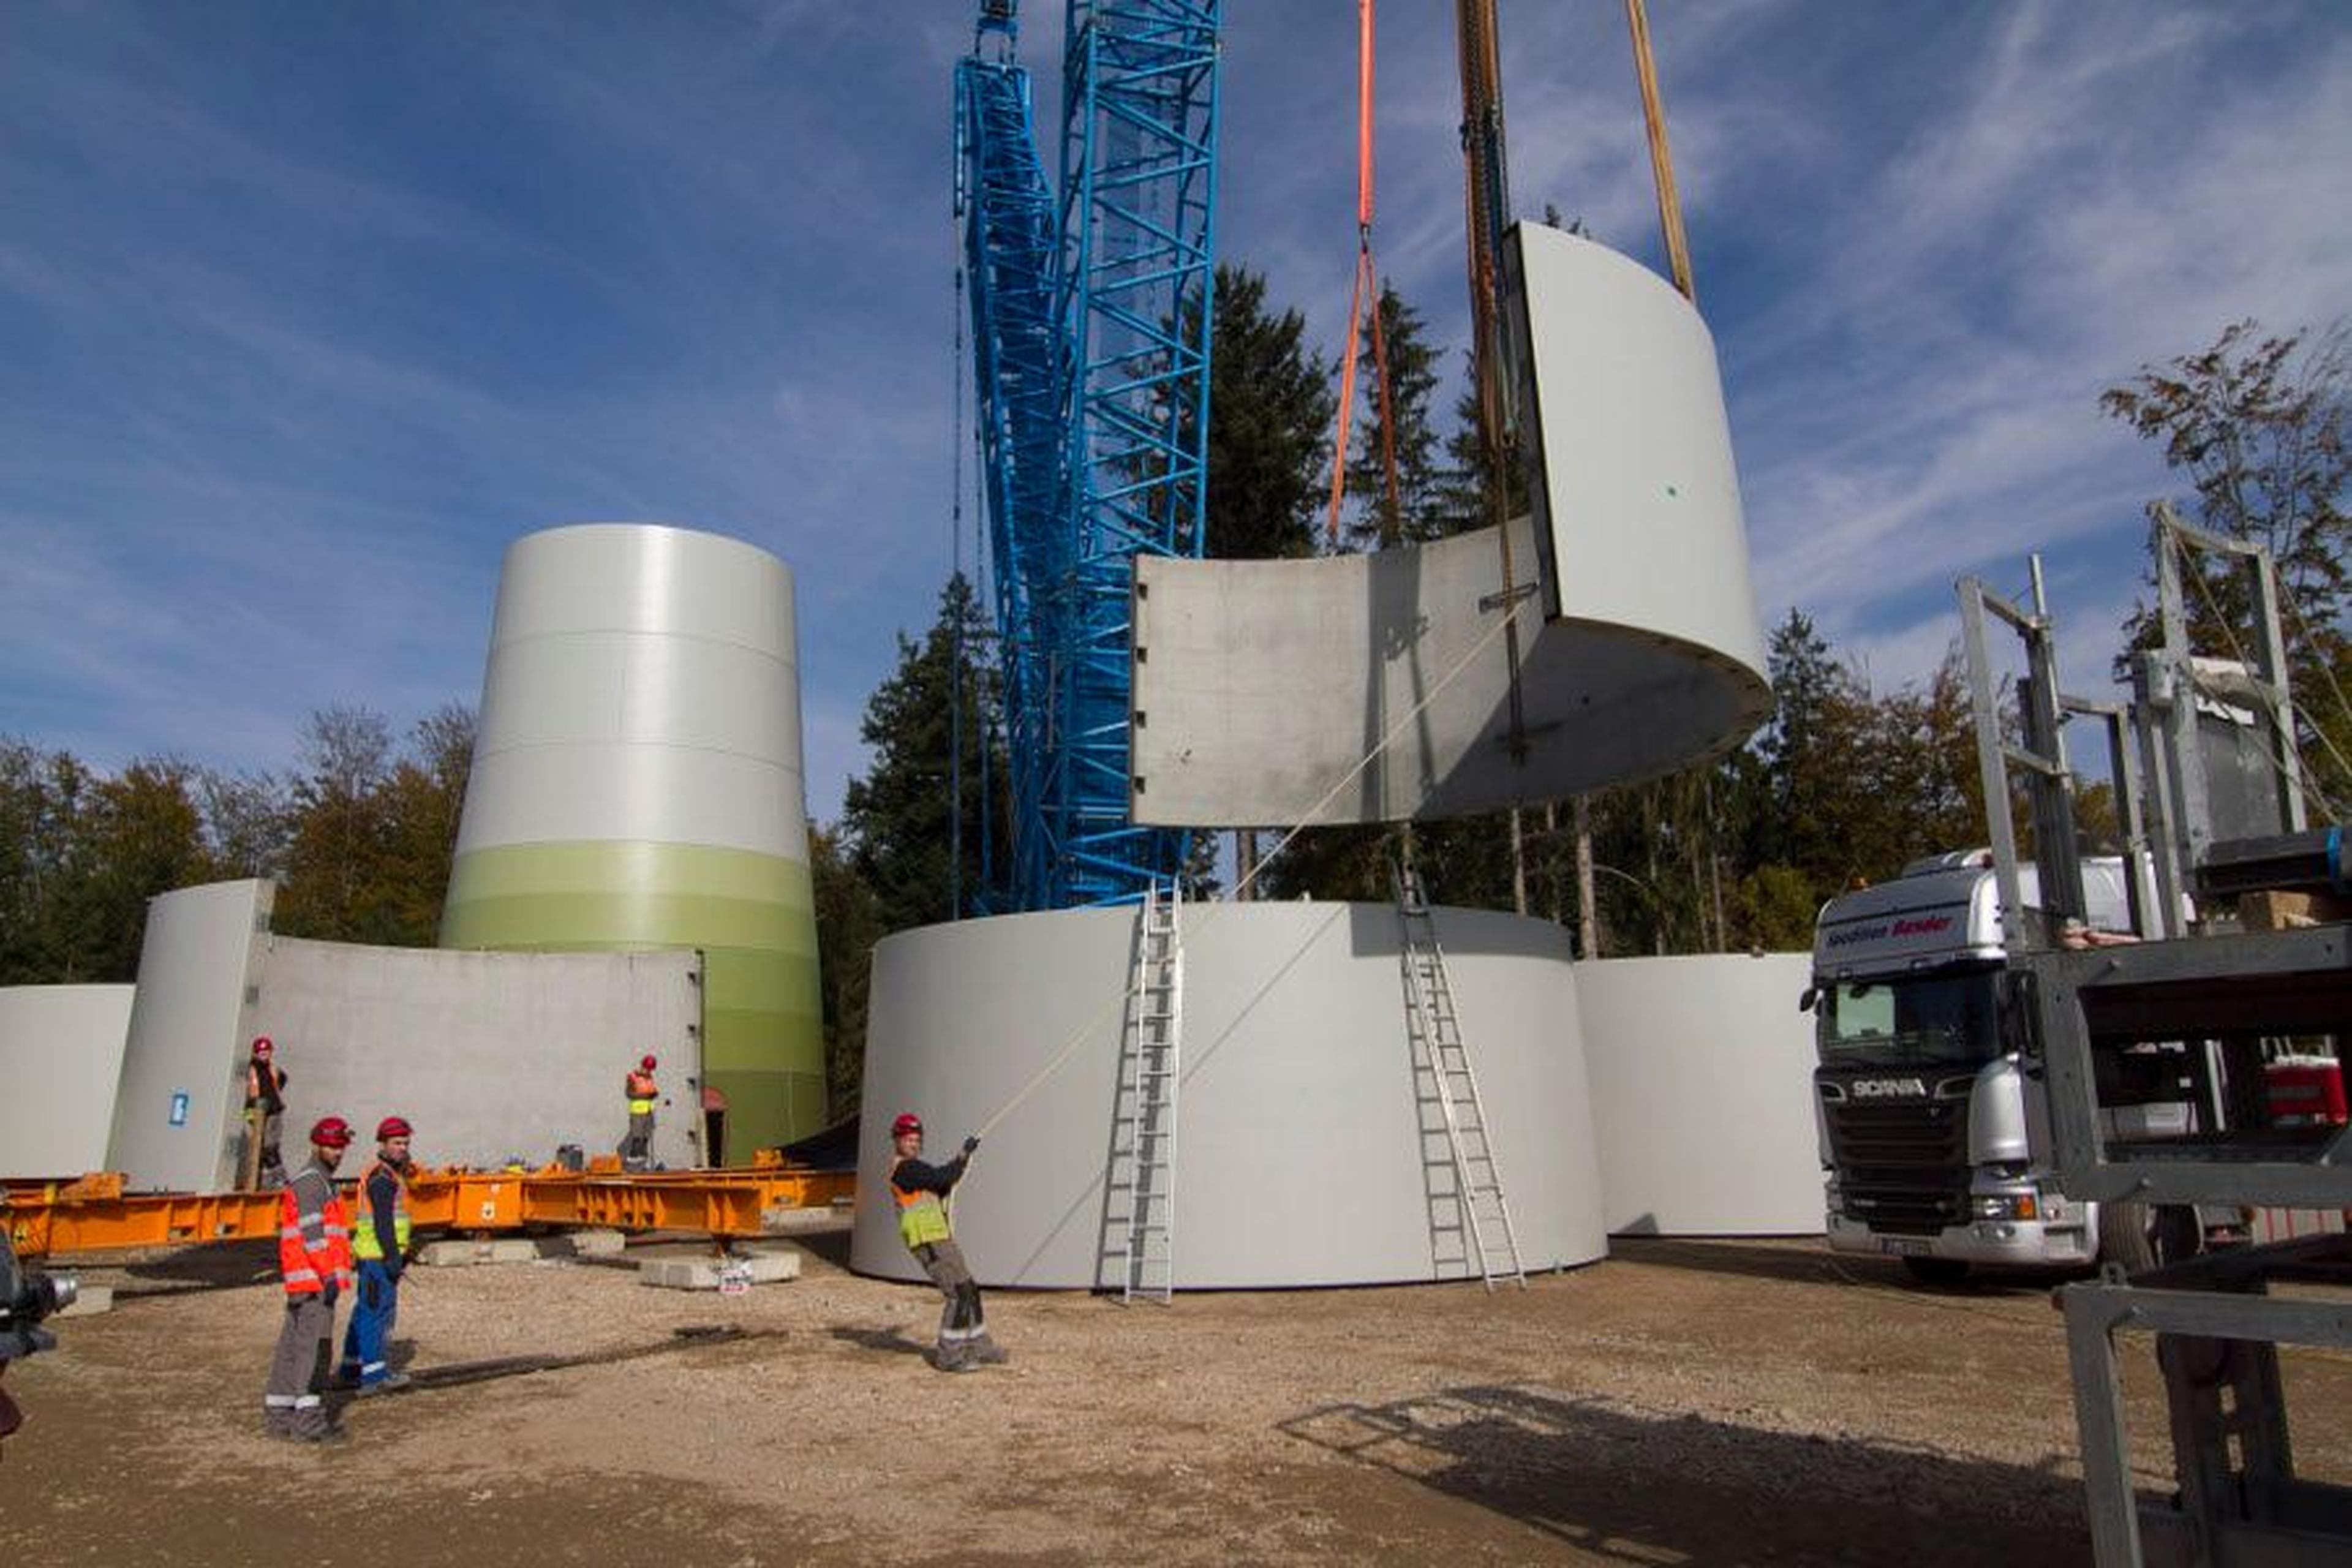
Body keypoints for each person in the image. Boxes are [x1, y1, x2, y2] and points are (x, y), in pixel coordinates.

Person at [886, 1112, 1006, 1372]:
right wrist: (963, 1156)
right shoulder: (905, 1169)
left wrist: (958, 1166)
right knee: (957, 1293)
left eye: (917, 1140)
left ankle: (980, 1346)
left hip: (940, 1237)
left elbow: (941, 1184)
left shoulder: (915, 1170)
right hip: (927, 1241)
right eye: (908, 1139)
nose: (914, 1144)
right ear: (897, 1140)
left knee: (970, 1289)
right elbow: (942, 1177)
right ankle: (949, 1355)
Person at [264, 1117, 355, 1442]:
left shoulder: (319, 1181)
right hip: (315, 1282)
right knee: (314, 1350)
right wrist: (329, 1274)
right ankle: (309, 1423)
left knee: (292, 1347)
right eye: (333, 1146)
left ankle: (279, 1415)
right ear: (317, 1145)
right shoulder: (313, 1183)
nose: (338, 1152)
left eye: (341, 1147)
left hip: (306, 1282)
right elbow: (313, 1235)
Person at [337, 1116, 415, 1395]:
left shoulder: (387, 1173)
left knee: (364, 1310)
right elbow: (383, 1222)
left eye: (405, 1142)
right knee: (378, 1313)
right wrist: (394, 1257)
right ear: (383, 1143)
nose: (402, 1148)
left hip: (373, 1256)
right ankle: (375, 1376)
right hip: (379, 1258)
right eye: (397, 1142)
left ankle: (351, 1367)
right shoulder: (382, 1177)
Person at [244, 1036, 289, 1189]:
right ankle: (272, 1178)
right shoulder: (254, 1070)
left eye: (266, 1052)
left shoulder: (272, 1069)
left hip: (274, 1112)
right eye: (261, 1052)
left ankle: (278, 1178)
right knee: (264, 1147)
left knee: (270, 1146)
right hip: (261, 1112)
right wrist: (250, 1116)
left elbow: (282, 1079)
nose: (264, 1054)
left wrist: (275, 1099)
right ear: (256, 1054)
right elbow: (251, 1095)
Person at [621, 1055, 660, 1171]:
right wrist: (645, 1096)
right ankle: (632, 1163)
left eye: (650, 1070)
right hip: (637, 1111)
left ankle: (642, 1164)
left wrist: (654, 1094)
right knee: (637, 1138)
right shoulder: (632, 1077)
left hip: (649, 1111)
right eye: (647, 1069)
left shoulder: (650, 1077)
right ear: (643, 1066)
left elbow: (651, 1091)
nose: (648, 1071)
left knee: (646, 1138)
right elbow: (629, 1094)